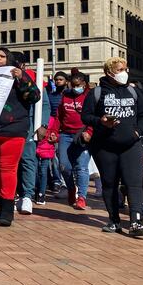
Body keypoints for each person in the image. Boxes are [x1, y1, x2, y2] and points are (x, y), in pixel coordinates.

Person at [81, 57, 143, 236]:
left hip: (131, 145)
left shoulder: (134, 91)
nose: (124, 73)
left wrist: (137, 133)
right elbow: (86, 116)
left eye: (125, 69)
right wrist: (101, 121)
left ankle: (136, 221)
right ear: (109, 73)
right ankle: (114, 220)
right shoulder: (97, 93)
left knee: (134, 183)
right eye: (120, 70)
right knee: (109, 183)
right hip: (104, 147)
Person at [0, 48, 40, 227]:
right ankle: (2, 205)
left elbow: (34, 96)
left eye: (2, 56)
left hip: (14, 130)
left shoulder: (19, 77)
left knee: (7, 169)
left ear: (9, 59)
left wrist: (22, 77)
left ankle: (8, 211)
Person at [55, 72, 93, 209]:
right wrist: (53, 132)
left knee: (81, 167)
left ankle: (82, 197)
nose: (75, 87)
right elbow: (58, 116)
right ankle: (71, 188)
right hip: (66, 135)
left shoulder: (89, 97)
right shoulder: (65, 95)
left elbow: (93, 118)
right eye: (73, 85)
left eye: (78, 85)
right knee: (64, 167)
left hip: (82, 136)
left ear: (84, 84)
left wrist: (89, 132)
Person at [16, 68, 50, 215]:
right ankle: (11, 195)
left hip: (28, 126)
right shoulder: (0, 78)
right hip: (7, 127)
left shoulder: (33, 79)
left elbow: (45, 105)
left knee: (27, 160)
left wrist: (43, 125)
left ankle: (27, 196)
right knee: (10, 163)